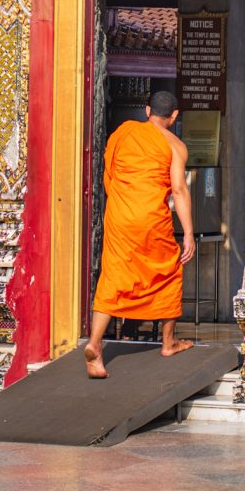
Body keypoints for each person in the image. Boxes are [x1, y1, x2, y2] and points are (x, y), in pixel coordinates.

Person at [84, 90, 195, 378]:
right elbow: (180, 191)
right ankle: (169, 342)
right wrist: (189, 234)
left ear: (147, 111)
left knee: (113, 278)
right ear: (174, 116)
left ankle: (95, 345)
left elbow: (108, 174)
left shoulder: (124, 132)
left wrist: (123, 200)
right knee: (171, 269)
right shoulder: (175, 146)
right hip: (151, 220)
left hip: (120, 217)